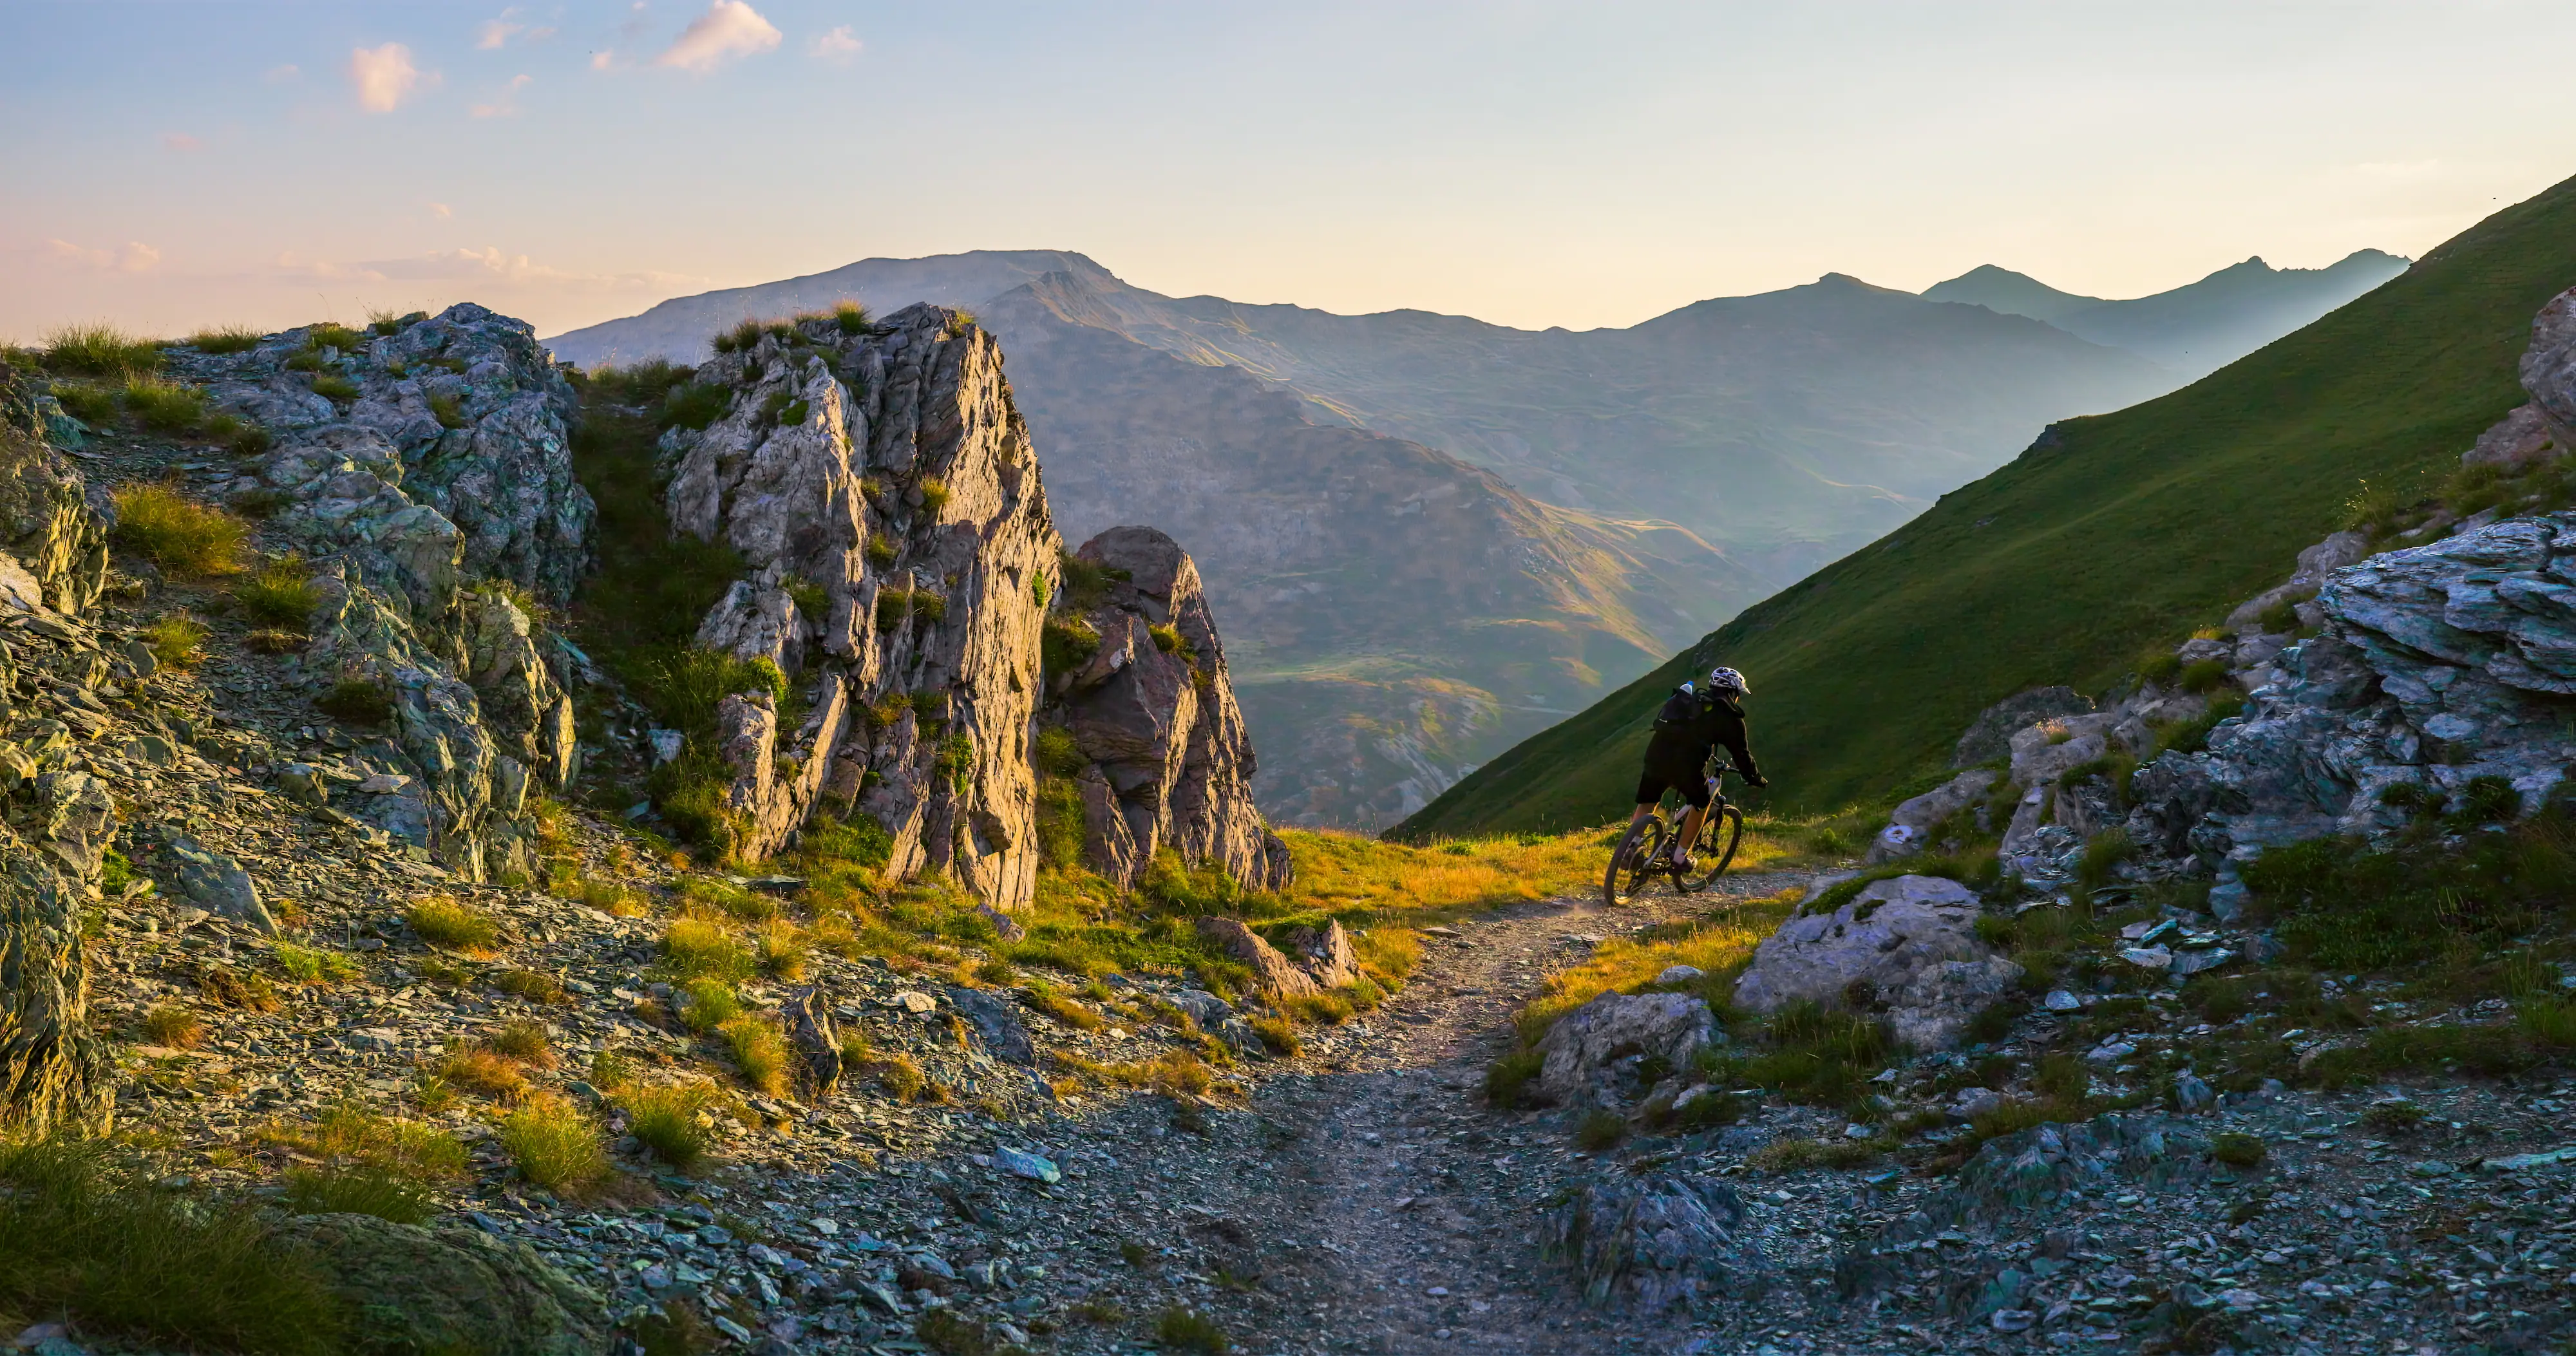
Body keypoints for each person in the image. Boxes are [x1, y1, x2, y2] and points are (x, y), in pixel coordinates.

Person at [1630, 666, 1767, 871]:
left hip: (1656, 755)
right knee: (1701, 804)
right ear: (1733, 692)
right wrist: (1755, 778)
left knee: (1648, 800)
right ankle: (1680, 857)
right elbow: (1742, 755)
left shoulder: (1690, 701)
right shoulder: (1730, 717)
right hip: (1687, 765)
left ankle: (1630, 849)